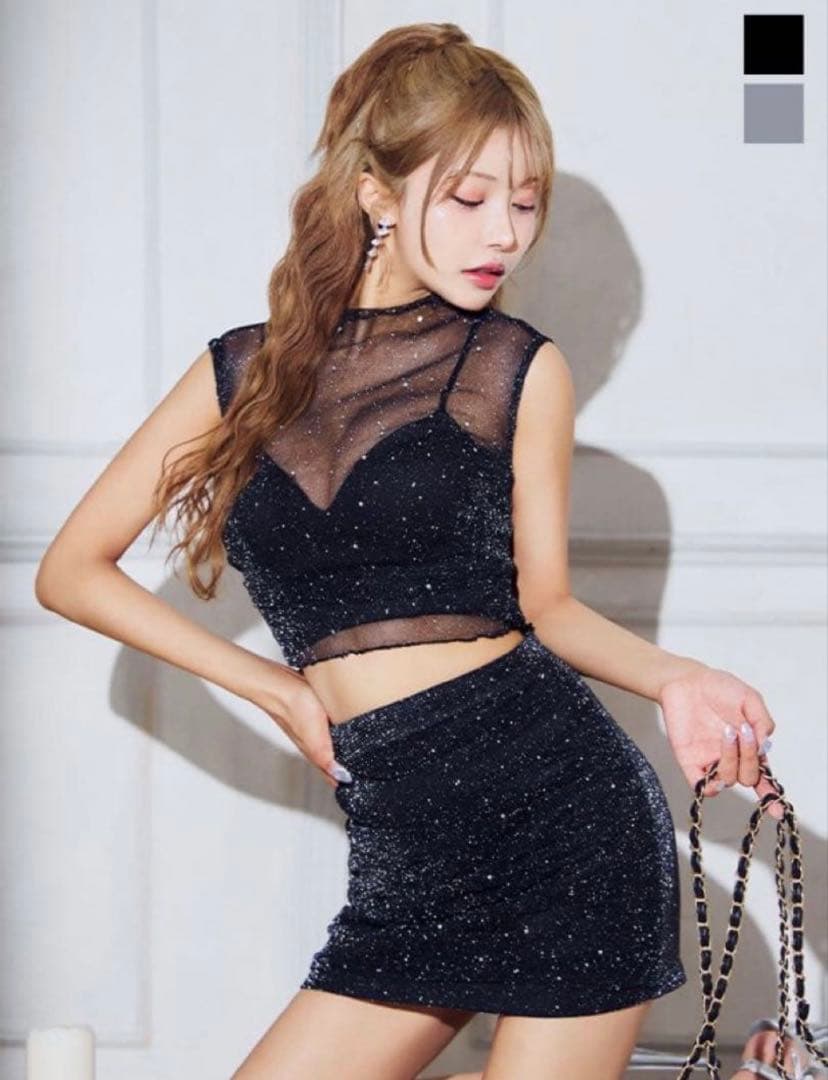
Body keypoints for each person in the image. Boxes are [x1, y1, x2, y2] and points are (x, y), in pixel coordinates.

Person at [34, 21, 789, 1080]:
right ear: (376, 194)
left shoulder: (515, 369)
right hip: (405, 846)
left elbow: (548, 607)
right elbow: (70, 571)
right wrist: (272, 687)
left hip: (566, 824)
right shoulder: (243, 375)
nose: (504, 234)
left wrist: (681, 678)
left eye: (525, 202)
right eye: (470, 198)